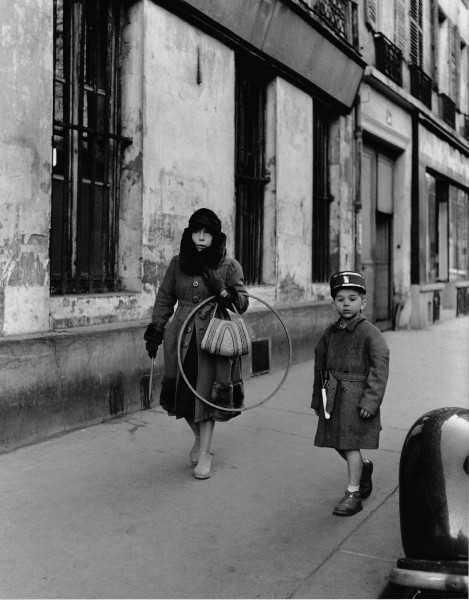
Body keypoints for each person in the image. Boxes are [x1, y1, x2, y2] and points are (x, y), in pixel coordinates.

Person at [144, 208, 249, 480]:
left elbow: (243, 303)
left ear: (216, 237)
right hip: (181, 337)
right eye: (196, 232)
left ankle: (205, 453)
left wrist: (223, 292)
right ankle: (199, 439)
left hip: (213, 340)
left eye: (207, 233)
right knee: (183, 396)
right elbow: (165, 298)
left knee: (206, 396)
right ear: (189, 234)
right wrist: (156, 329)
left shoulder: (228, 265)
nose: (201, 238)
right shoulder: (177, 263)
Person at [311, 271, 389, 516]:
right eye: (341, 298)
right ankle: (363, 468)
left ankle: (353, 494)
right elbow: (320, 367)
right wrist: (319, 399)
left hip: (357, 400)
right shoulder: (330, 333)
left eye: (352, 298)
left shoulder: (370, 333)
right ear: (333, 303)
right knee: (335, 441)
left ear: (362, 303)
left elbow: (380, 367)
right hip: (332, 396)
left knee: (351, 445)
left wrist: (371, 400)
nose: (346, 303)